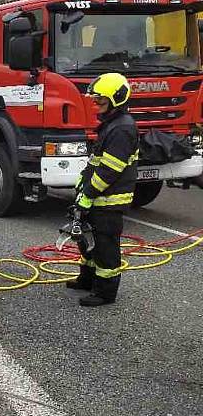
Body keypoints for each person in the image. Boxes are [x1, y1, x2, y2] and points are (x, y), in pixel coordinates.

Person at [68, 73, 138, 307]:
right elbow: (96, 162)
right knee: (88, 241)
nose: (96, 104)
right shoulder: (111, 125)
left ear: (117, 99)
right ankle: (87, 279)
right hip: (98, 197)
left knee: (106, 247)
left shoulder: (122, 129)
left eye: (101, 100)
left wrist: (88, 194)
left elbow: (109, 171)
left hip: (109, 200)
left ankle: (105, 292)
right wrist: (82, 185)